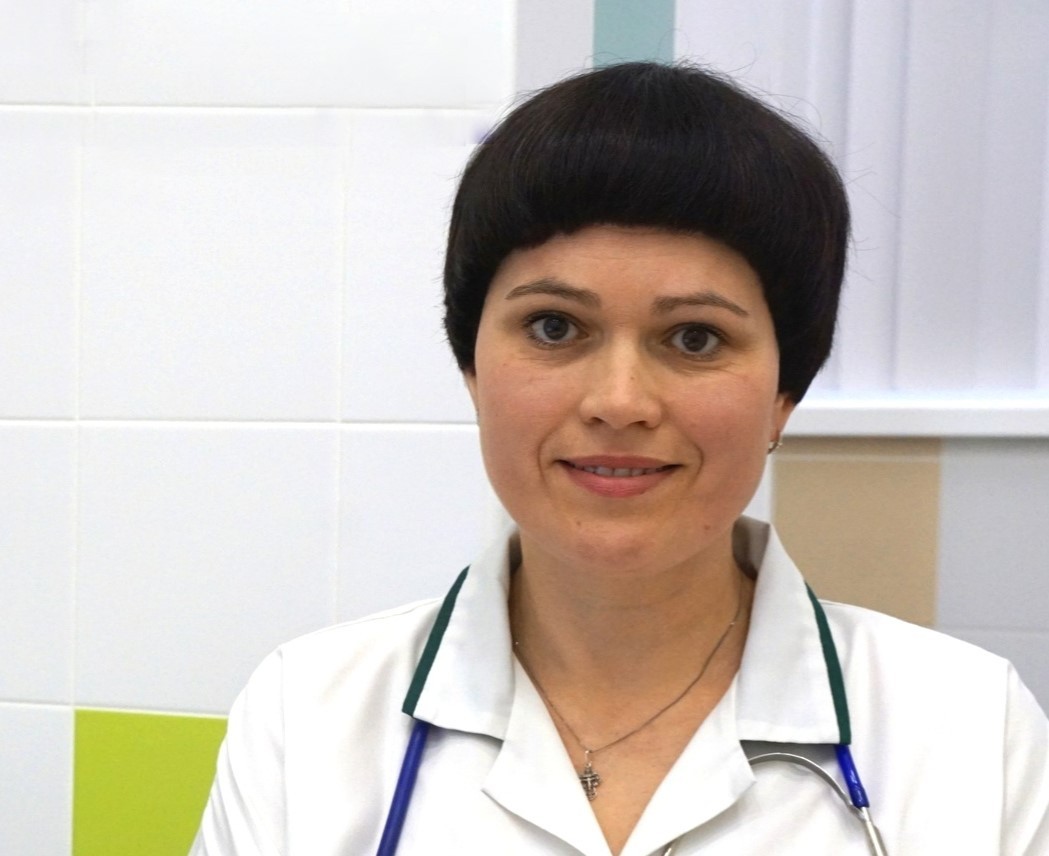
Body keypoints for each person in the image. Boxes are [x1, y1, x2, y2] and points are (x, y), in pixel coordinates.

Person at [191, 62, 1049, 855]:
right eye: (554, 327)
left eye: (694, 337)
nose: (619, 401)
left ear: (784, 394)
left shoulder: (971, 729)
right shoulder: (308, 716)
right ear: (472, 370)